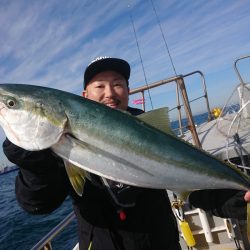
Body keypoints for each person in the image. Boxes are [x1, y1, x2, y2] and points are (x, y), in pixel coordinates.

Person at [3, 57, 250, 250]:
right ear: (84, 96)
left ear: (128, 91)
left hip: (161, 244)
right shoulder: (53, 150)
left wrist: (233, 199)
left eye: (118, 84)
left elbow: (182, 174)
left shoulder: (150, 130)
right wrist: (35, 165)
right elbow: (37, 204)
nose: (110, 92)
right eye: (99, 85)